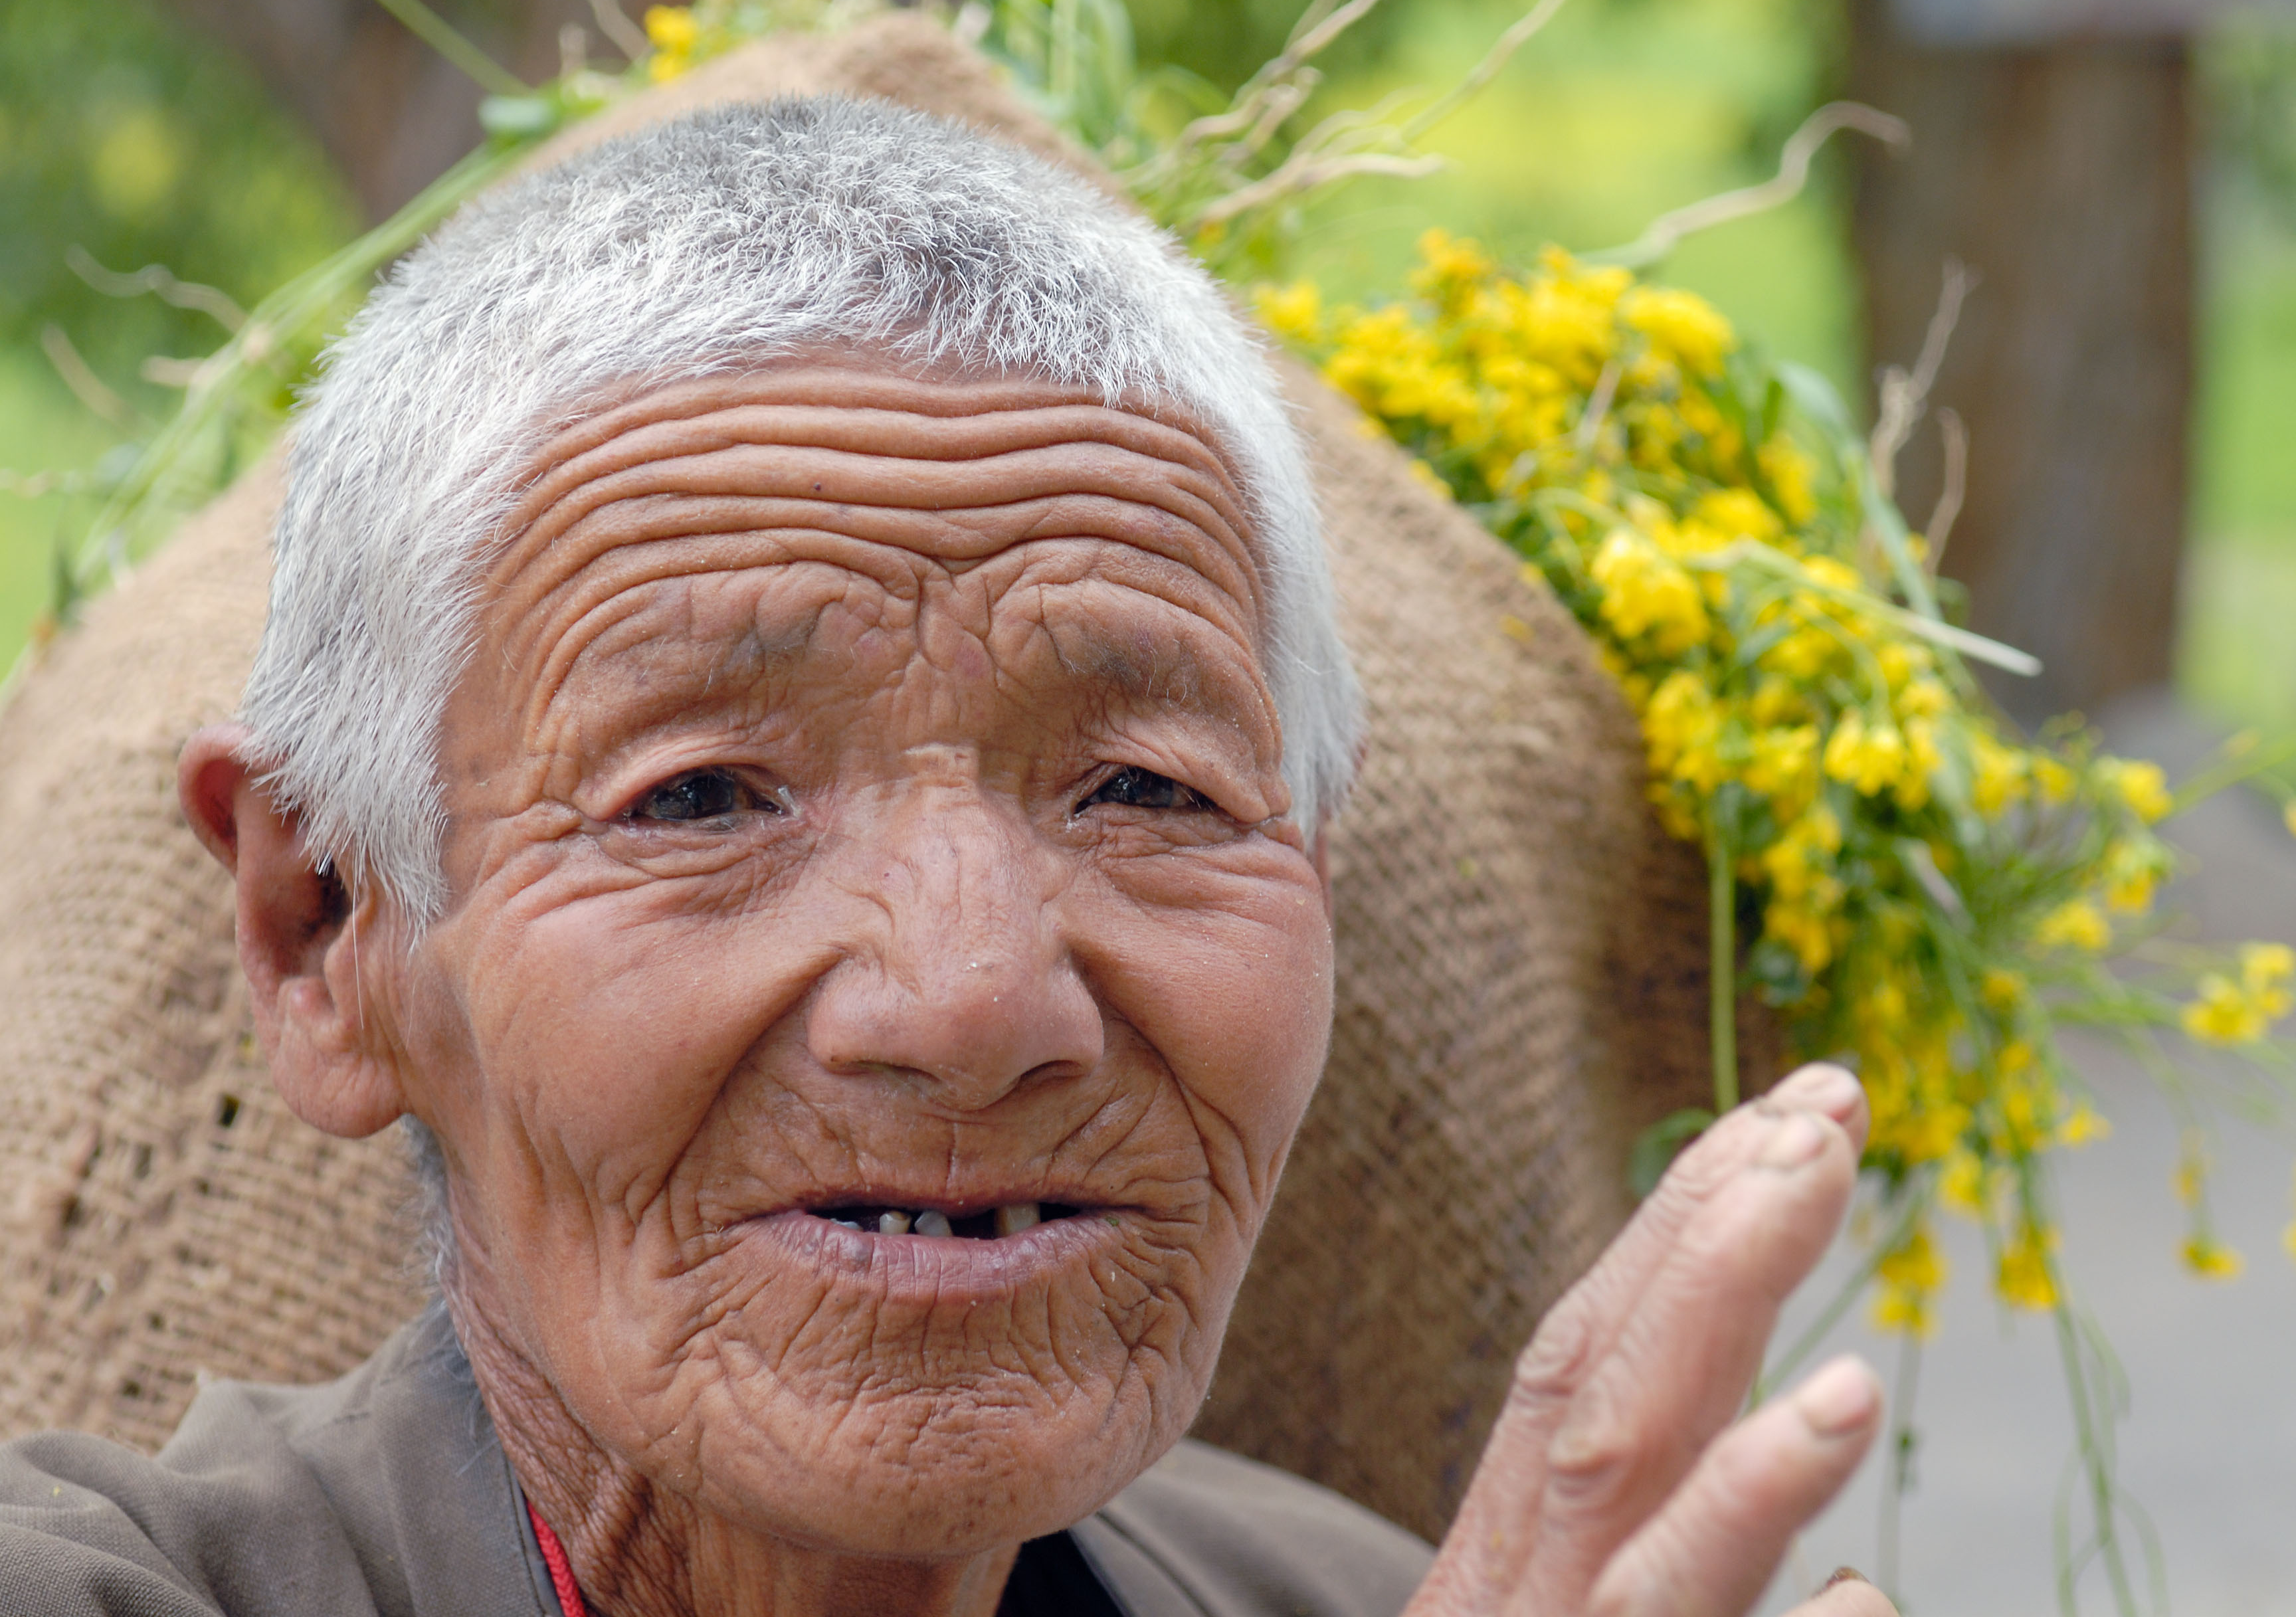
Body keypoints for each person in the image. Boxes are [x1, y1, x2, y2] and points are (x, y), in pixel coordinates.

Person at [0, 96, 1896, 1617]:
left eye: (1148, 793)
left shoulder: (1349, 1593)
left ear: (1317, 858)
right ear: (323, 929)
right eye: (706, 798)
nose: (974, 1001)